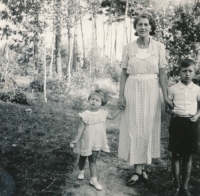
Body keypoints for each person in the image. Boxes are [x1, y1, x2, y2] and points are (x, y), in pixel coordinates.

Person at [118, 13, 173, 186]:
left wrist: (165, 95)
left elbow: (162, 72)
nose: (143, 27)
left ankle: (140, 168)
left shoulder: (159, 47)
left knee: (147, 127)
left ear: (151, 27)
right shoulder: (128, 47)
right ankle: (137, 170)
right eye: (139, 24)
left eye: (146, 24)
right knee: (133, 127)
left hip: (151, 89)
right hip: (132, 89)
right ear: (135, 28)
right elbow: (123, 72)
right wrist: (120, 95)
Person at [70, 89, 121, 191]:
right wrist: (75, 140)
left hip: (96, 141)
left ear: (102, 103)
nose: (94, 101)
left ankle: (94, 180)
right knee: (83, 157)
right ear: (89, 100)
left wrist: (120, 109)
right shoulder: (85, 114)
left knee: (93, 160)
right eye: (92, 99)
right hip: (86, 140)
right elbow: (80, 129)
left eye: (97, 100)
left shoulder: (103, 113)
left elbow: (112, 117)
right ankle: (81, 171)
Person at [166, 59, 200, 196]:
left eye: (190, 71)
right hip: (177, 124)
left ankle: (184, 188)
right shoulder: (173, 89)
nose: (187, 74)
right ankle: (176, 186)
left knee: (187, 156)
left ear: (194, 73)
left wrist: (197, 115)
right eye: (184, 71)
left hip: (191, 124)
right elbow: (167, 108)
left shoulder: (197, 89)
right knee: (175, 154)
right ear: (179, 72)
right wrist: (171, 112)